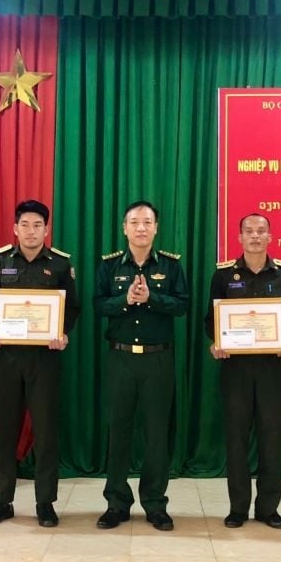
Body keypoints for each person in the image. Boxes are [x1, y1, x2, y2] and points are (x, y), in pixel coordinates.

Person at [0, 200, 80, 528]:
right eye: (25, 224)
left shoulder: (61, 265)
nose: (31, 231)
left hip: (44, 360)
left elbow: (72, 308)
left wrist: (62, 332)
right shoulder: (0, 261)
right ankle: (2, 500)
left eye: (38, 225)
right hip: (5, 359)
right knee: (3, 431)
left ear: (46, 229)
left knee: (46, 432)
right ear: (15, 228)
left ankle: (45, 502)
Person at [94, 200, 189, 532]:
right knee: (117, 431)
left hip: (158, 359)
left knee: (157, 435)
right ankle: (116, 503)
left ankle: (155, 503)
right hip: (120, 358)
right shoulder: (109, 266)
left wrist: (152, 298)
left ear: (156, 228)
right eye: (134, 221)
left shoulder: (172, 266)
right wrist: (125, 301)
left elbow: (182, 306)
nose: (141, 228)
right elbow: (99, 304)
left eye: (147, 222)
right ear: (124, 228)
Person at [204, 214, 281, 529]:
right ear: (239, 237)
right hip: (236, 368)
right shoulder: (223, 276)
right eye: (249, 231)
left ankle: (268, 508)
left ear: (270, 236)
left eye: (261, 231)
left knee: (272, 437)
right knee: (236, 438)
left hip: (273, 366)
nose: (255, 236)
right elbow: (211, 319)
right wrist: (217, 341)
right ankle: (238, 507)